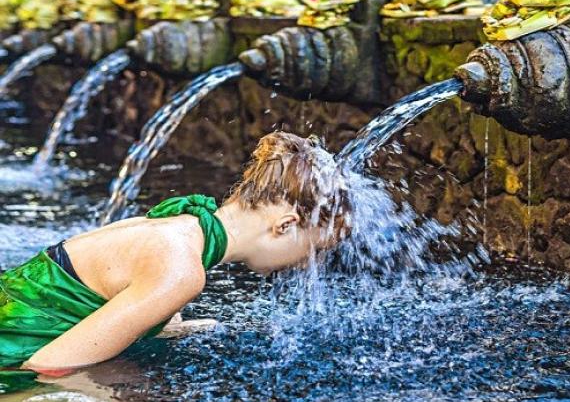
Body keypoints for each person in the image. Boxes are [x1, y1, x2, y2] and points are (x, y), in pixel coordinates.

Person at [0, 132, 350, 377]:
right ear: (286, 225)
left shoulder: (178, 225)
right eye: (313, 249)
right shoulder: (181, 271)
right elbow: (51, 366)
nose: (307, 264)